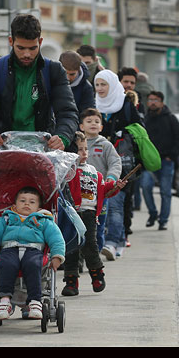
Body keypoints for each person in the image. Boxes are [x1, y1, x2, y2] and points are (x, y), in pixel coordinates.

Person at [0, 13, 79, 226]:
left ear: (40, 43)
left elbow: (68, 112)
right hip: (3, 155)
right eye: (21, 48)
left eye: (32, 48)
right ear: (11, 42)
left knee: (47, 211)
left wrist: (63, 137)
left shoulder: (53, 70)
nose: (27, 54)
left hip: (42, 156)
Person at [0, 186, 65, 320]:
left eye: (32, 202)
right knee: (7, 264)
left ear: (38, 208)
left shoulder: (43, 221)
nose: (27, 204)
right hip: (9, 249)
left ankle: (35, 301)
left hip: (34, 250)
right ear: (14, 205)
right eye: (22, 201)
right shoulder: (6, 219)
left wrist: (57, 256)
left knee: (33, 264)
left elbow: (56, 239)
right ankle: (4, 301)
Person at [62, 132, 127, 296]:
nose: (84, 153)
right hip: (72, 214)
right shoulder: (68, 171)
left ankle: (97, 274)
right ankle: (71, 282)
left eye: (85, 149)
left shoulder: (94, 172)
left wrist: (115, 187)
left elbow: (103, 191)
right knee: (71, 248)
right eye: (79, 150)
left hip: (90, 214)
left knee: (90, 245)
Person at [94, 69, 144, 260]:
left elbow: (139, 128)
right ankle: (115, 239)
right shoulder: (93, 104)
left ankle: (113, 241)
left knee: (116, 203)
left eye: (103, 85)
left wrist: (123, 134)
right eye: (97, 85)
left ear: (112, 85)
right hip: (97, 161)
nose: (100, 89)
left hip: (122, 161)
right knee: (102, 204)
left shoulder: (125, 104)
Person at [141, 91, 179, 231]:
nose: (152, 102)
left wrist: (172, 155)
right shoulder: (145, 119)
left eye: (156, 100)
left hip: (166, 161)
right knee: (146, 186)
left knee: (165, 191)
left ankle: (163, 220)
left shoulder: (170, 118)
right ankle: (153, 214)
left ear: (162, 102)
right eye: (150, 100)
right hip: (149, 162)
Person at [79, 107, 122, 252]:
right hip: (79, 193)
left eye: (97, 121)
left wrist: (111, 179)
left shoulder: (105, 145)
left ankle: (95, 254)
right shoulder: (77, 144)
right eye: (89, 121)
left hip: (100, 192)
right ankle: (79, 253)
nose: (93, 124)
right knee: (80, 224)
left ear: (101, 127)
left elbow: (115, 163)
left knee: (99, 224)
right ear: (81, 126)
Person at [117, 66, 144, 245]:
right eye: (125, 81)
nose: (128, 85)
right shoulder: (112, 101)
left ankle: (124, 232)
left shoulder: (134, 104)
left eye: (132, 83)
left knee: (127, 197)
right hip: (108, 155)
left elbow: (141, 129)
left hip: (128, 158)